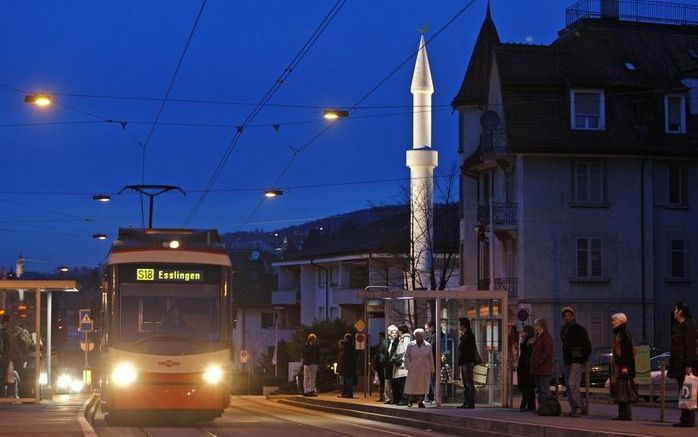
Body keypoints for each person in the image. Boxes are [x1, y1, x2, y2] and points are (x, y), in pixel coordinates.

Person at [560, 306, 591, 417]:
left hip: (577, 360)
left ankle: (578, 407)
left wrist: (582, 356)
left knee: (572, 384)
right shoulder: (563, 329)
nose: (567, 318)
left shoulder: (579, 329)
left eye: (569, 315)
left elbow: (587, 345)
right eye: (565, 316)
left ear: (573, 316)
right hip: (568, 359)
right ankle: (575, 407)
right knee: (569, 386)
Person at [669, 302, 696, 428]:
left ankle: (688, 420)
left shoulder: (689, 324)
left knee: (688, 391)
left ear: (680, 311)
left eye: (675, 310)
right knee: (682, 391)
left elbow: (690, 345)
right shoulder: (677, 325)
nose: (673, 312)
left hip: (685, 364)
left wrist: (688, 364)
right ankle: (684, 419)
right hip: (678, 363)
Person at [610, 313, 635, 421]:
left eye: (614, 320)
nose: (612, 322)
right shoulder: (620, 333)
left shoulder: (623, 334)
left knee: (624, 389)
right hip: (621, 365)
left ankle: (625, 414)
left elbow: (627, 351)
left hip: (623, 366)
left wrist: (625, 366)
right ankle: (623, 413)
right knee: (622, 389)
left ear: (620, 321)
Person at [404, 328, 434, 408]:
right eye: (416, 335)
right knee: (412, 385)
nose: (417, 337)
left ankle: (421, 401)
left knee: (423, 386)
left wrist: (432, 368)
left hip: (424, 369)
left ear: (422, 336)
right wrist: (408, 366)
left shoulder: (427, 345)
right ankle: (410, 401)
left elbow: (430, 357)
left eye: (419, 335)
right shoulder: (410, 345)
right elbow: (406, 356)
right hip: (413, 368)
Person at [531, 318, 553, 405]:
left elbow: (547, 352)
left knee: (544, 390)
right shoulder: (538, 336)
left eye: (536, 325)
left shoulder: (546, 337)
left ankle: (546, 408)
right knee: (539, 390)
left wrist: (539, 362)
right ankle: (541, 407)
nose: (535, 326)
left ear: (541, 326)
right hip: (538, 368)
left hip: (543, 368)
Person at [457, 317, 477, 409]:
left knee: (469, 383)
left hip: (467, 362)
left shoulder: (469, 335)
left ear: (463, 325)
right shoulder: (465, 334)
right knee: (466, 383)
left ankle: (470, 403)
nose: (458, 326)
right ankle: (466, 402)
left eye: (459, 324)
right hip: (464, 362)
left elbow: (469, 350)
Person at [389, 325, 411, 405]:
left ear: (401, 331)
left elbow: (407, 351)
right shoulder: (401, 339)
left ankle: (405, 400)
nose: (398, 333)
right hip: (400, 366)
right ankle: (402, 399)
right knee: (401, 383)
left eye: (398, 331)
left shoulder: (406, 339)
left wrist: (403, 362)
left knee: (403, 384)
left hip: (402, 366)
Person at [518, 325, 536, 412]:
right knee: (530, 387)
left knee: (527, 387)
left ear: (527, 332)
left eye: (522, 331)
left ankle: (524, 405)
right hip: (527, 366)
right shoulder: (527, 340)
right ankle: (531, 406)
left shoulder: (529, 341)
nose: (521, 333)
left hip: (526, 366)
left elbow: (526, 354)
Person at [337, 333, 356, 398]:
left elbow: (347, 358)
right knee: (345, 381)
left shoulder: (349, 347)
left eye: (345, 338)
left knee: (348, 381)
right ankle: (344, 393)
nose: (344, 339)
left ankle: (349, 393)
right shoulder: (346, 346)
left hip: (348, 367)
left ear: (347, 339)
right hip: (346, 367)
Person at [423, 321, 437, 404]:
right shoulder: (431, 336)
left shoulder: (434, 336)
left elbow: (430, 347)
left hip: (433, 362)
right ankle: (431, 397)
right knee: (431, 380)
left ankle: (434, 397)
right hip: (431, 362)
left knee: (432, 380)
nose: (426, 330)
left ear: (432, 327)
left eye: (427, 328)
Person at [372, 332, 387, 402]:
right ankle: (382, 396)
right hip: (380, 366)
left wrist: (381, 363)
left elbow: (382, 356)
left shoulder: (383, 344)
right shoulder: (382, 344)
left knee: (382, 382)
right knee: (382, 382)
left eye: (380, 337)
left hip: (381, 366)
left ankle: (382, 396)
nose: (379, 338)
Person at [0, 315, 10, 397]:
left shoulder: (4, 331)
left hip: (3, 356)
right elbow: (4, 345)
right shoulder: (3, 331)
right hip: (3, 357)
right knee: (2, 377)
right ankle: (2, 397)